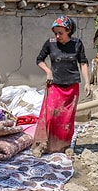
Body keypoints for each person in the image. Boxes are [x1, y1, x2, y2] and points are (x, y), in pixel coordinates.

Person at [32, 15, 91, 157]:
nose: (57, 36)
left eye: (61, 33)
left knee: (67, 118)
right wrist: (48, 71)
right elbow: (39, 59)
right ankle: (43, 145)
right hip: (55, 85)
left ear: (68, 31)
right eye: (55, 33)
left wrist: (87, 82)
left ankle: (65, 145)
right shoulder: (50, 43)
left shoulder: (77, 44)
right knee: (51, 116)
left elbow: (83, 62)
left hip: (72, 87)